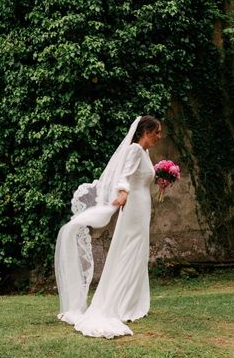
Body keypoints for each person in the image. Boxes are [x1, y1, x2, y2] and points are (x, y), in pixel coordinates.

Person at [55, 115, 162, 338]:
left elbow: (141, 180)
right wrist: (122, 193)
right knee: (128, 249)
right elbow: (125, 175)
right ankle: (119, 303)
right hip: (133, 206)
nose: (159, 137)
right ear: (145, 131)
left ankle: (131, 303)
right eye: (156, 132)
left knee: (138, 251)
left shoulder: (145, 153)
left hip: (143, 204)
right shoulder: (134, 150)